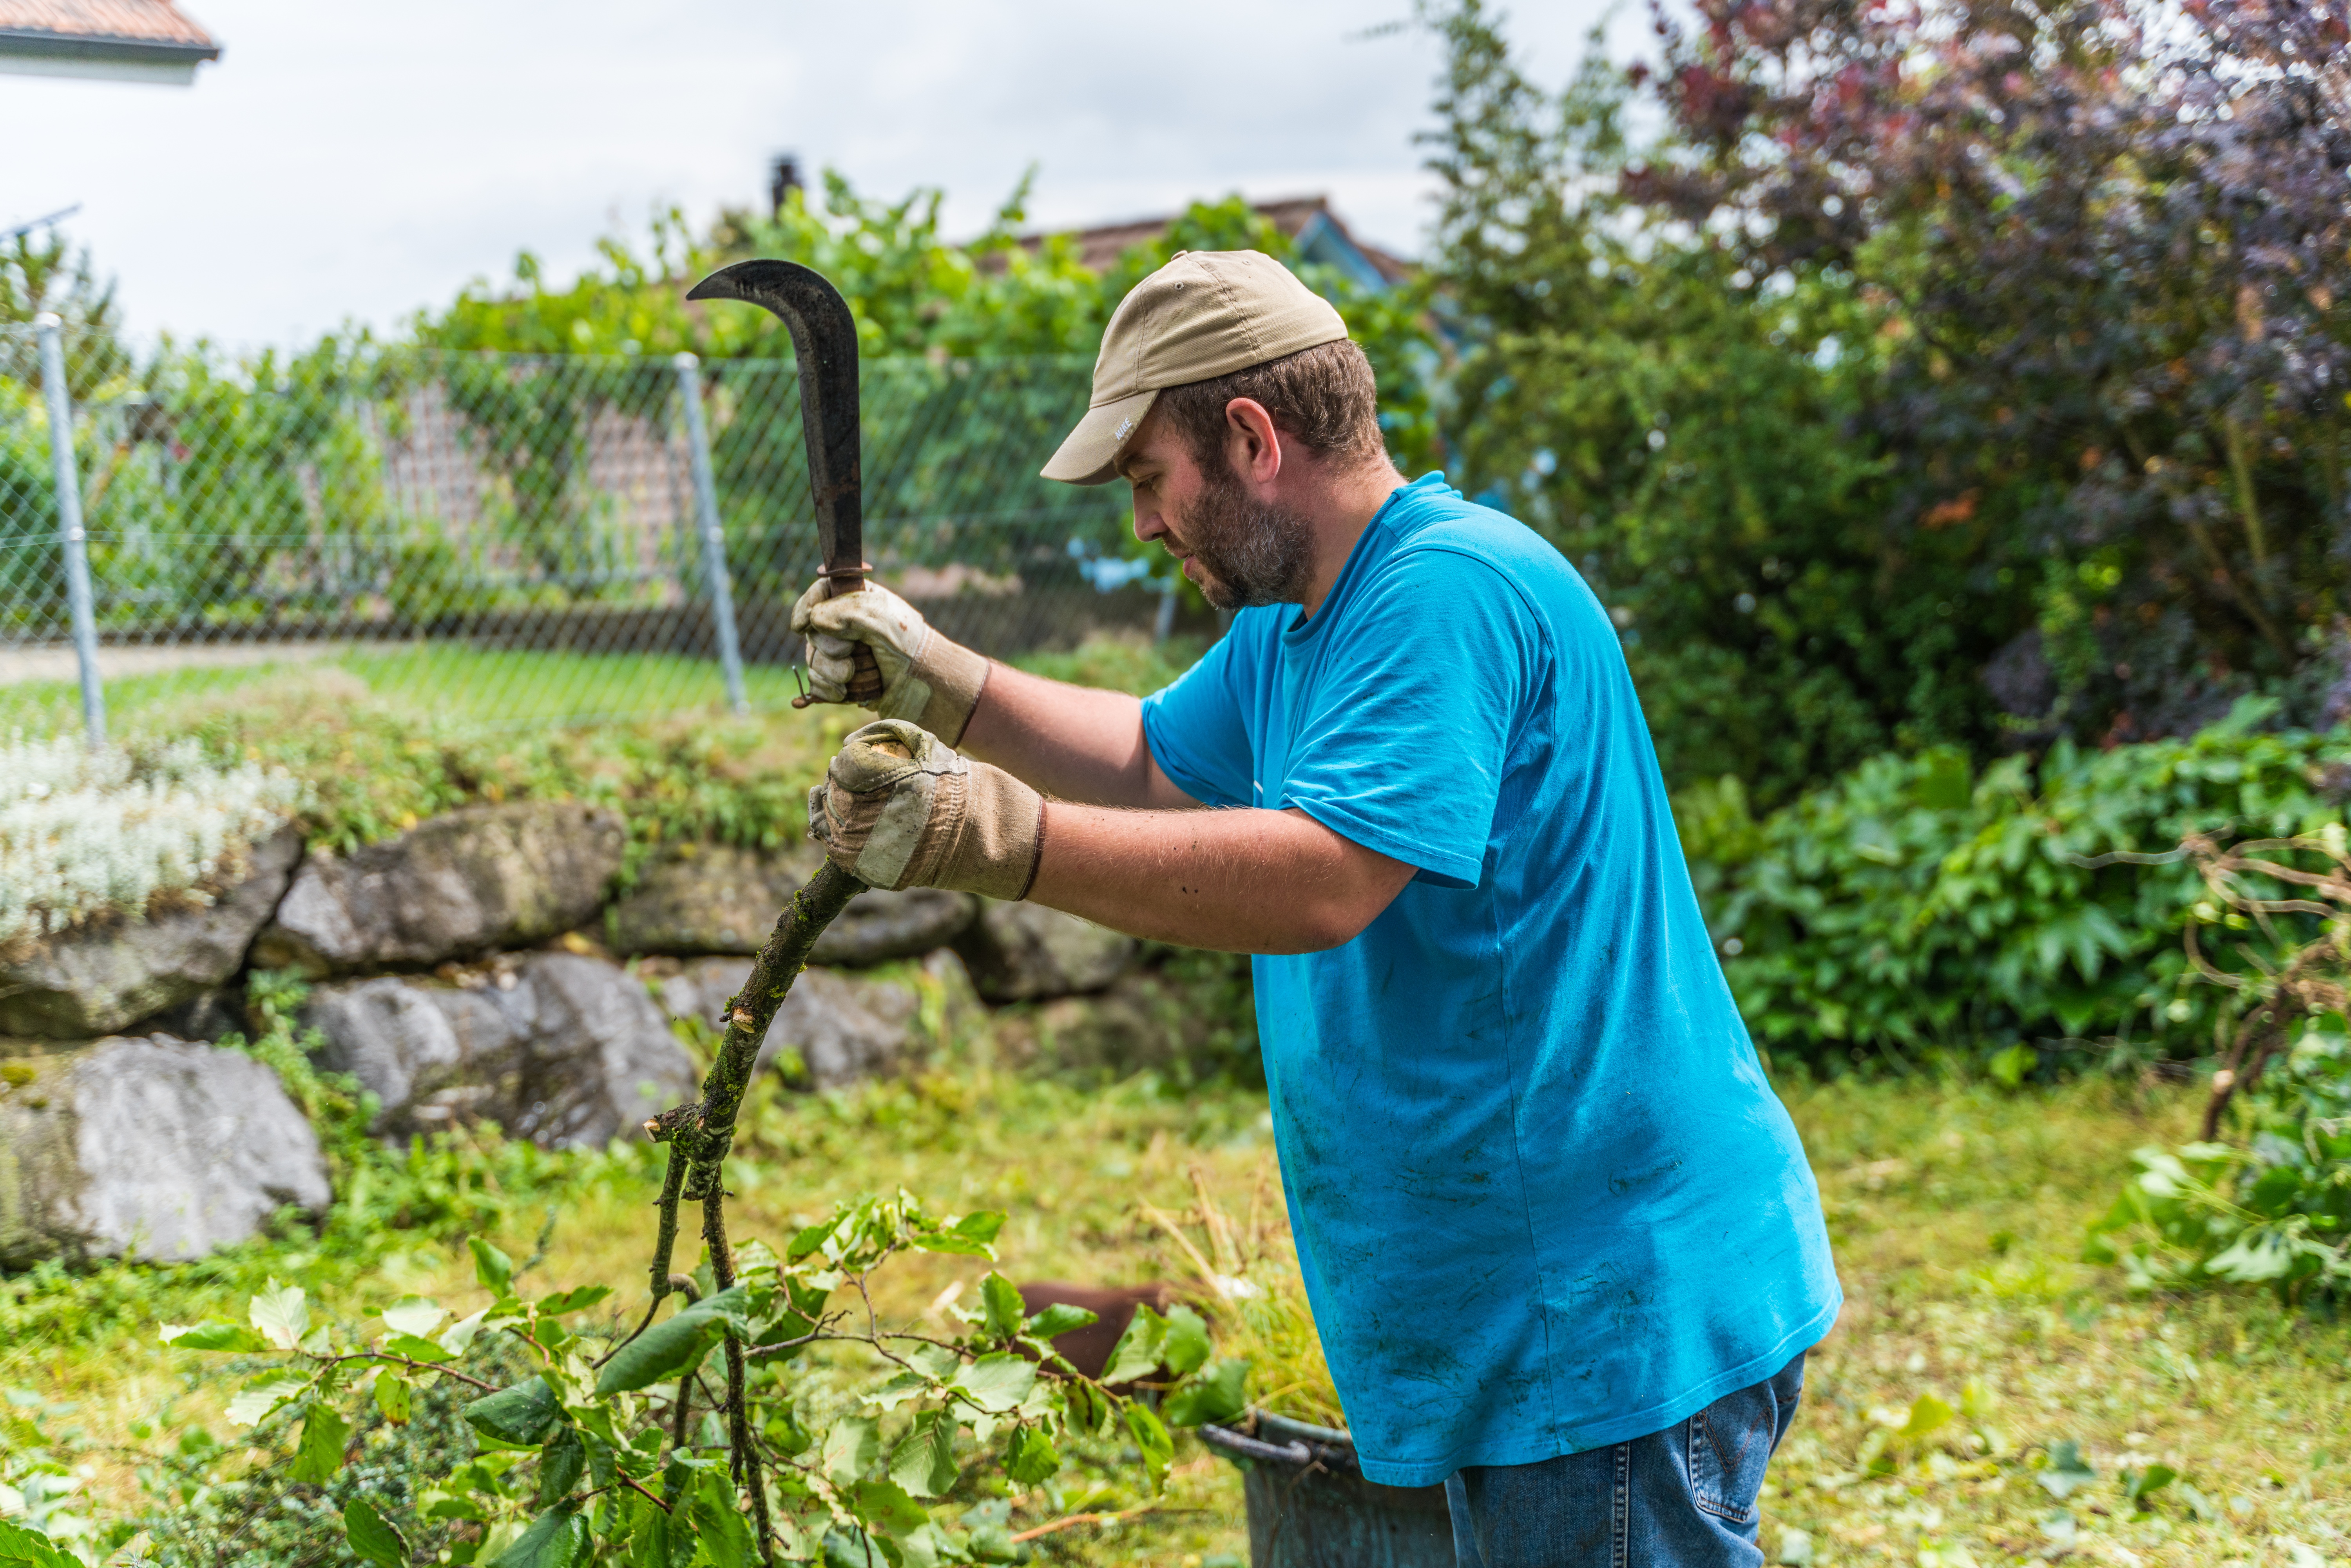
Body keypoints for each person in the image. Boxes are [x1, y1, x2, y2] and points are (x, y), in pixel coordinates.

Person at [793, 250, 1840, 1566]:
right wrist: (937, 679)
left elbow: (1325, 875)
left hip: (1597, 1294)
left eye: (1147, 479)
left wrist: (988, 833)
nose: (1143, 526)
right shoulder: (1302, 623)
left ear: (1250, 437)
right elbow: (1155, 762)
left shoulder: (1444, 593)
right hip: (1533, 1290)